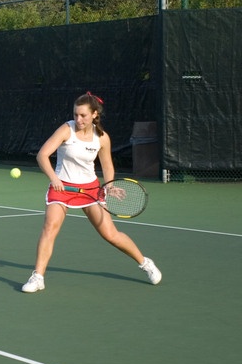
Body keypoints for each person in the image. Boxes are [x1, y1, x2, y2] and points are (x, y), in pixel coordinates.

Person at [22, 92, 161, 293]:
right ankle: (38, 277)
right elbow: (43, 155)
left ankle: (145, 263)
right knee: (49, 228)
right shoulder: (66, 129)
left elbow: (107, 165)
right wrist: (54, 178)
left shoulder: (102, 138)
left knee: (110, 235)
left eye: (83, 116)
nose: (78, 119)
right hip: (62, 189)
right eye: (76, 114)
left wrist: (109, 186)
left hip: (90, 190)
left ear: (94, 114)